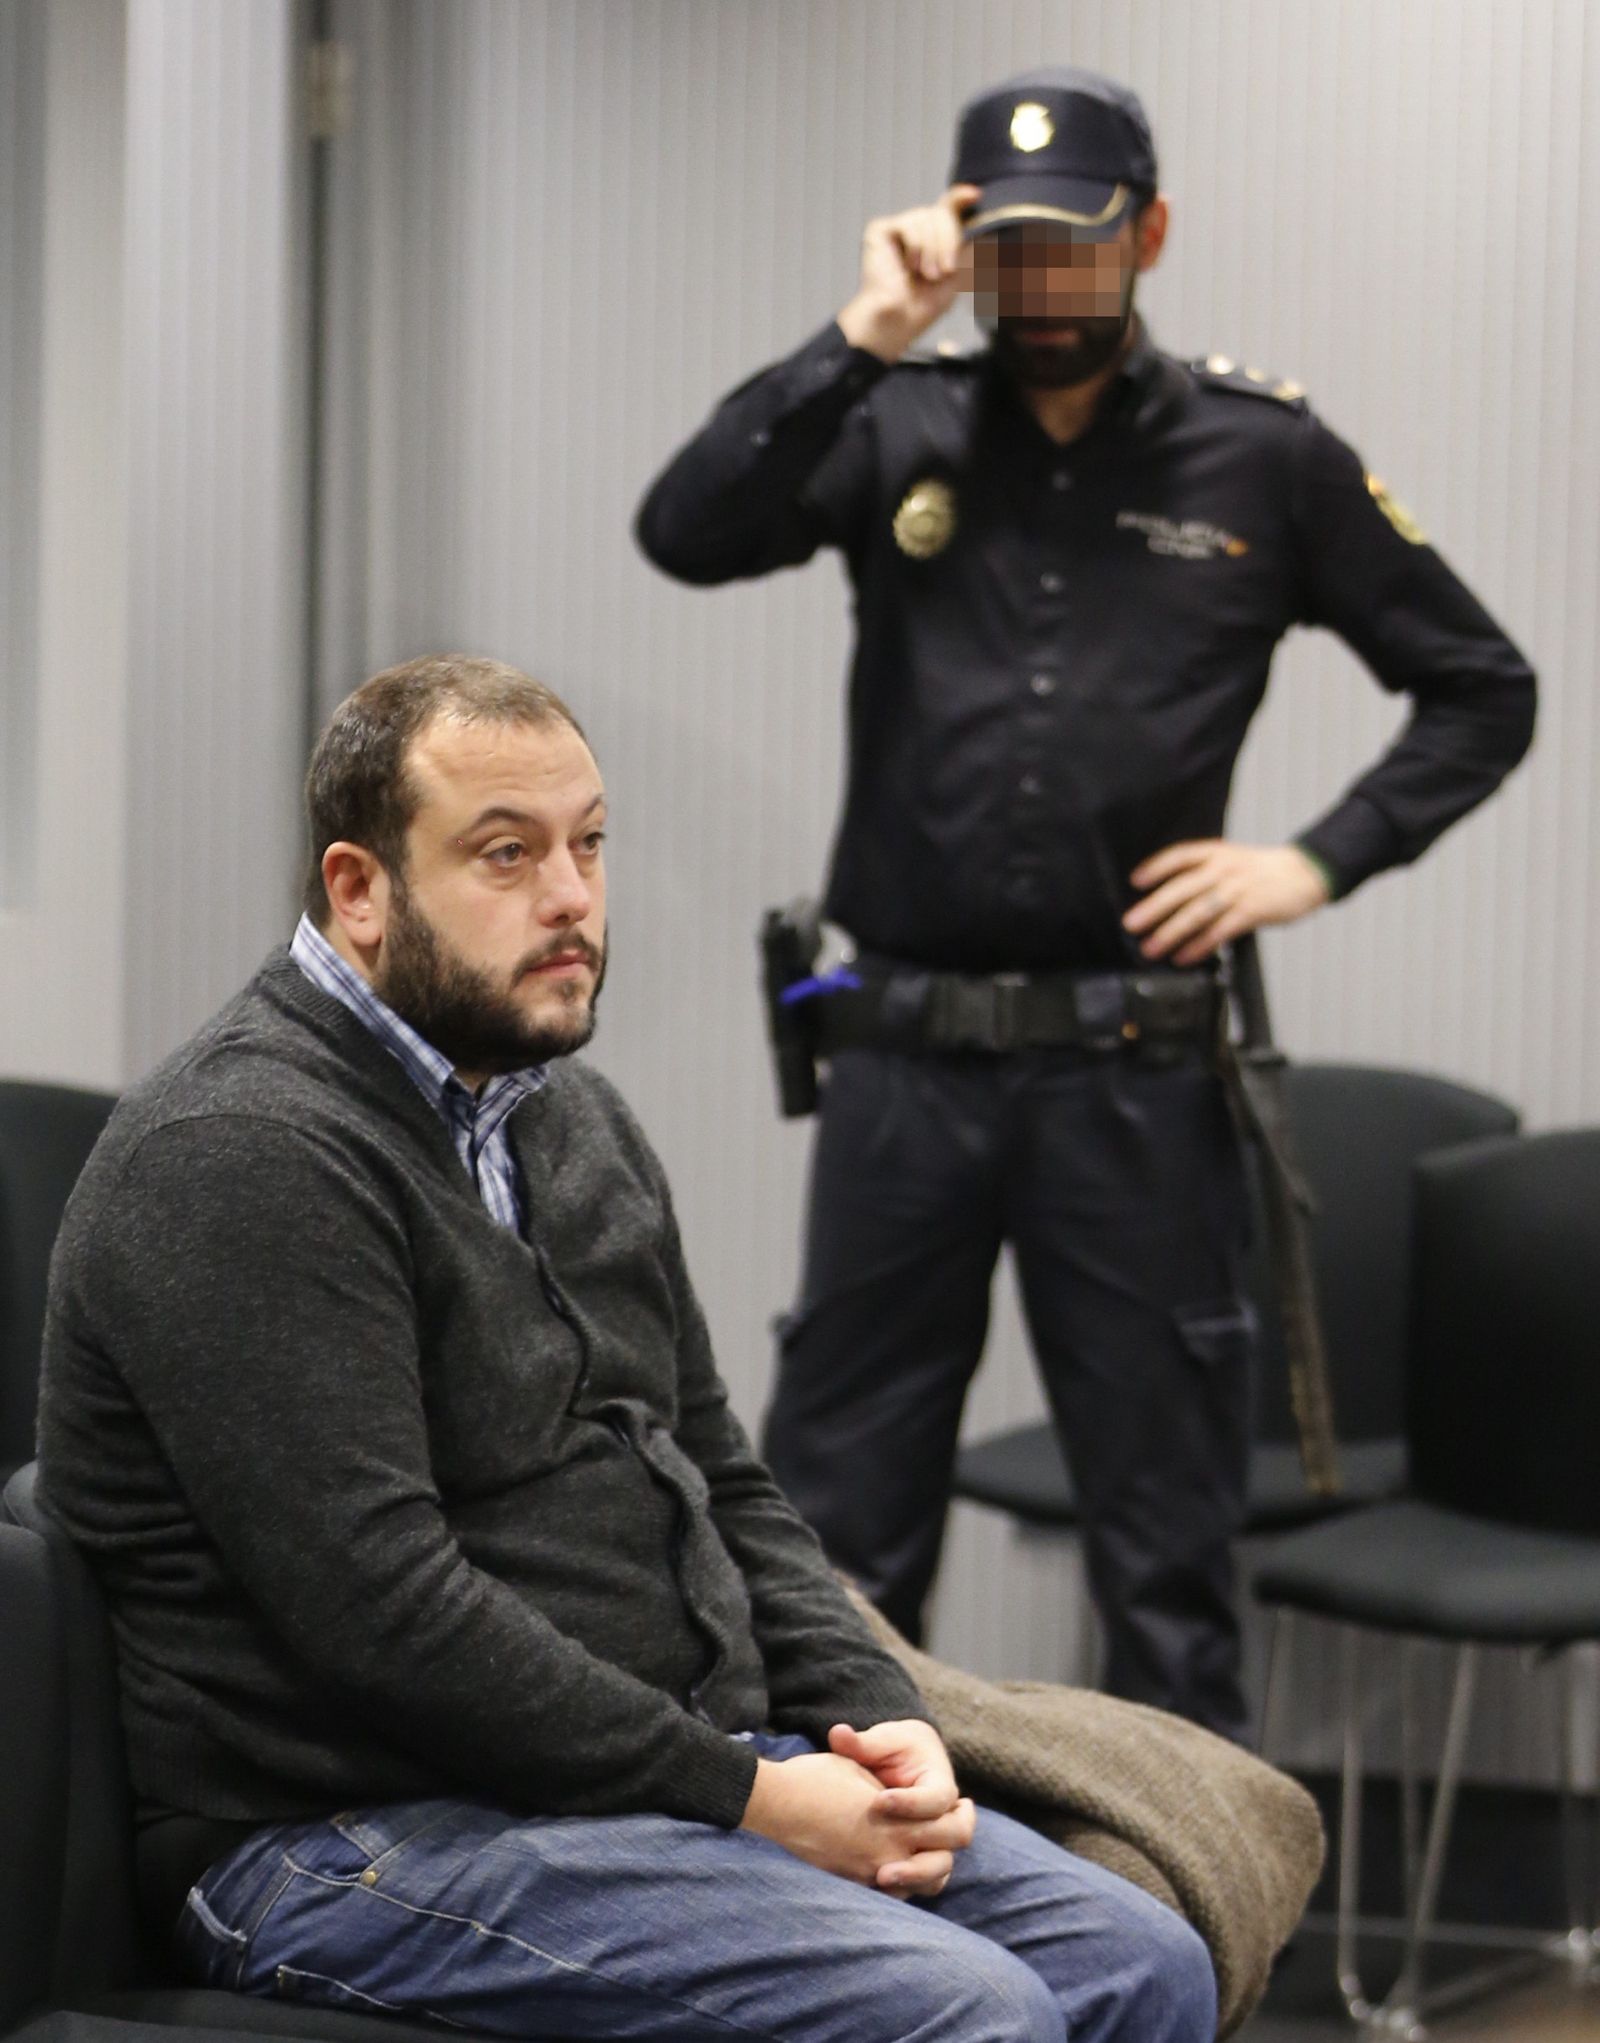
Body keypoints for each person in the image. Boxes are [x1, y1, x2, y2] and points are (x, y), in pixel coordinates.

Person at [37, 655, 1215, 2043]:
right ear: (358, 893)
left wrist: (885, 1719)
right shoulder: (241, 1155)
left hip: (637, 1775)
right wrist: (754, 1800)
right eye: (506, 855)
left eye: (590, 845)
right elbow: (387, 1616)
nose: (572, 899)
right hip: (344, 1837)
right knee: (966, 2013)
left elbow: (717, 1469)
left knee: (1143, 1965)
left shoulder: (566, 1115)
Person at [634, 66, 1536, 1740]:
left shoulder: (1265, 458)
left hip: (1135, 1082)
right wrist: (866, 331)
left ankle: (1176, 1974)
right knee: (832, 1546)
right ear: (963, 241)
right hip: (899, 1072)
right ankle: (845, 1959)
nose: (1043, 284)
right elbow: (684, 530)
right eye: (1010, 248)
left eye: (1079, 246)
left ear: (1152, 235)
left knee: (1166, 1564)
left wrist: (1312, 861)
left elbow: (1484, 686)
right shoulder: (892, 419)